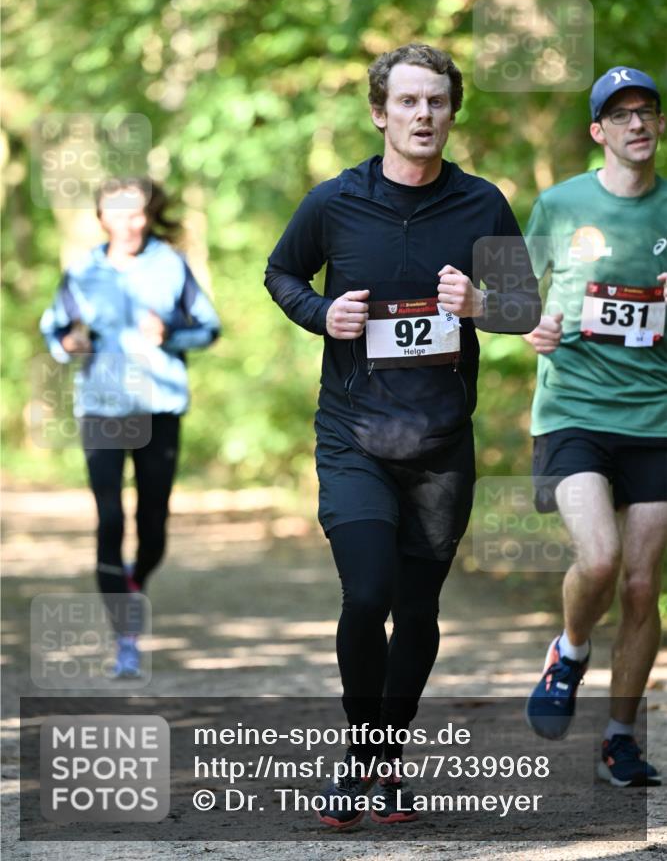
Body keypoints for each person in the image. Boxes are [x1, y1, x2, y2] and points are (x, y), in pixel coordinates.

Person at [265, 43, 541, 828]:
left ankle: (382, 760)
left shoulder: (482, 204)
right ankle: (365, 757)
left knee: (417, 613)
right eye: (409, 102)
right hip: (352, 434)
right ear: (380, 112)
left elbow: (523, 309)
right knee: (369, 593)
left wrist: (479, 306)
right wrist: (323, 314)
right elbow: (281, 273)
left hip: (440, 445)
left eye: (437, 102)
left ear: (452, 113)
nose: (424, 115)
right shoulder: (335, 201)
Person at [524, 67, 666, 787]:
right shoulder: (560, 203)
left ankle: (619, 737)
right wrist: (531, 325)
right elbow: (506, 296)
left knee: (643, 586)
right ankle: (569, 648)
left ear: (658, 125)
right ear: (597, 132)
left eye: (646, 112)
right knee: (602, 561)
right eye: (621, 115)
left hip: (658, 417)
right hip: (573, 412)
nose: (636, 124)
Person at [40, 177, 220, 678]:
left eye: (137, 212)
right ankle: (125, 635)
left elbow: (208, 326)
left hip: (158, 407)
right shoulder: (83, 271)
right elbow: (55, 328)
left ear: (148, 214)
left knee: (154, 526)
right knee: (110, 520)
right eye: (117, 213)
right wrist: (70, 344)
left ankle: (135, 581)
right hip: (101, 407)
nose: (128, 223)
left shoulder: (170, 265)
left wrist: (172, 333)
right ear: (101, 217)